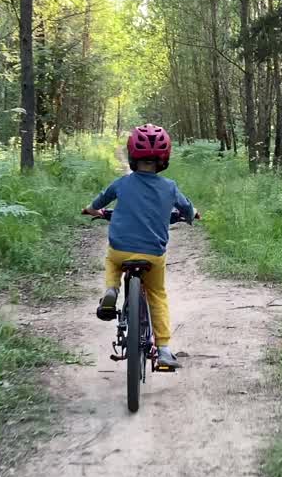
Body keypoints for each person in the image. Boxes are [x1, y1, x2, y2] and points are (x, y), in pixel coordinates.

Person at [81, 124, 199, 369]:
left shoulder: (122, 183)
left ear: (132, 155)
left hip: (121, 250)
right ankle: (164, 348)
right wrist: (191, 215)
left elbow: (98, 201)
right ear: (164, 158)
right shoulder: (170, 187)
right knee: (157, 295)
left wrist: (94, 210)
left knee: (112, 261)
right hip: (153, 255)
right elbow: (187, 208)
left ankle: (111, 290)